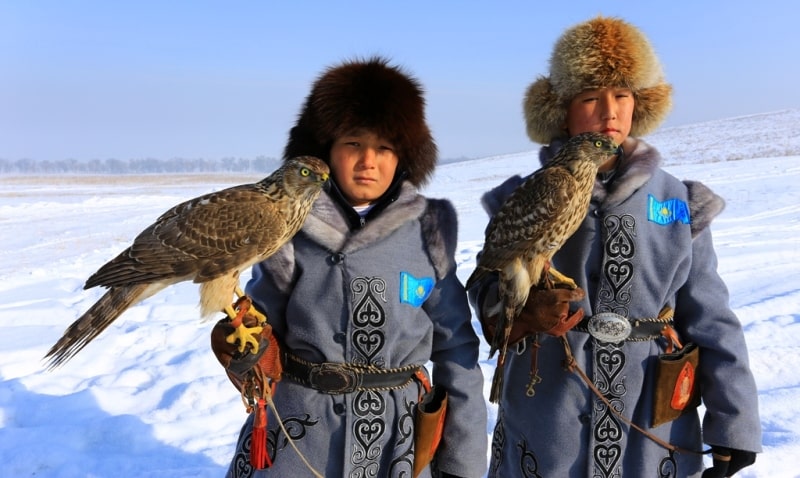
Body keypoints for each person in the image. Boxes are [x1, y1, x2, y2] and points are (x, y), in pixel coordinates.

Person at [468, 16, 762, 478]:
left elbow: (711, 315)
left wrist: (734, 422)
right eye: (590, 97)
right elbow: (485, 285)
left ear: (639, 104)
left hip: (650, 422)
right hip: (546, 414)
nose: (609, 111)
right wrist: (518, 312)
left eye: (622, 95)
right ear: (561, 112)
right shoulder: (521, 195)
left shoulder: (679, 202)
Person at [212, 57, 487, 478]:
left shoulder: (428, 228)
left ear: (404, 157)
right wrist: (244, 345)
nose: (368, 162)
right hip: (299, 436)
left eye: (385, 147)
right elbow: (261, 324)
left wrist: (462, 465)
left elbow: (456, 349)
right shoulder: (288, 227)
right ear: (325, 151)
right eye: (353, 144)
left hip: (397, 442)